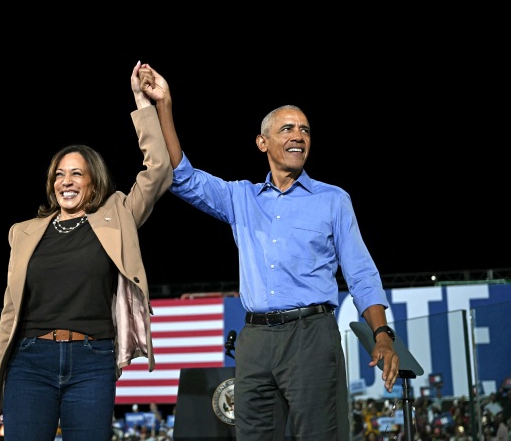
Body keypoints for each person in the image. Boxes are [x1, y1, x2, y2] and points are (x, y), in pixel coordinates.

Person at [138, 64, 400, 440]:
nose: (299, 136)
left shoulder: (333, 200)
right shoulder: (240, 197)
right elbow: (183, 175)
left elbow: (360, 273)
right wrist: (164, 104)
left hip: (311, 335)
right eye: (287, 129)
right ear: (262, 142)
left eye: (305, 129)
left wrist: (382, 333)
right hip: (255, 341)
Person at [0, 61, 172, 441]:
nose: (65, 181)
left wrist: (142, 102)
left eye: (76, 174)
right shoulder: (22, 233)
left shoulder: (117, 216)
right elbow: (9, 311)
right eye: (59, 174)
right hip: (29, 362)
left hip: (92, 361)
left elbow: (159, 170)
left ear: (93, 183)